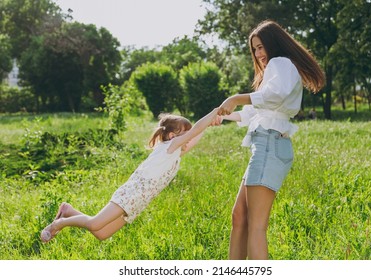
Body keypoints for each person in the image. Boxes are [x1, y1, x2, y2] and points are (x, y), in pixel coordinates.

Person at [216, 20, 325, 260]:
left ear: (274, 44)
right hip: (265, 145)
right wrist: (225, 116)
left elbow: (275, 95)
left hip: (270, 145)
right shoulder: (277, 69)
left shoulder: (281, 63)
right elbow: (259, 111)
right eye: (254, 49)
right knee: (239, 216)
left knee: (256, 226)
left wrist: (236, 97)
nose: (258, 54)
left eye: (261, 47)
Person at [40, 108, 219, 243]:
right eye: (186, 134)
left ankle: (68, 211)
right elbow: (195, 130)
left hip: (139, 202)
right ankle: (58, 224)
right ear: (173, 136)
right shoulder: (169, 148)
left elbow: (195, 136)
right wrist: (214, 112)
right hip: (131, 194)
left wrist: (211, 124)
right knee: (95, 224)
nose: (190, 138)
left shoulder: (175, 153)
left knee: (102, 234)